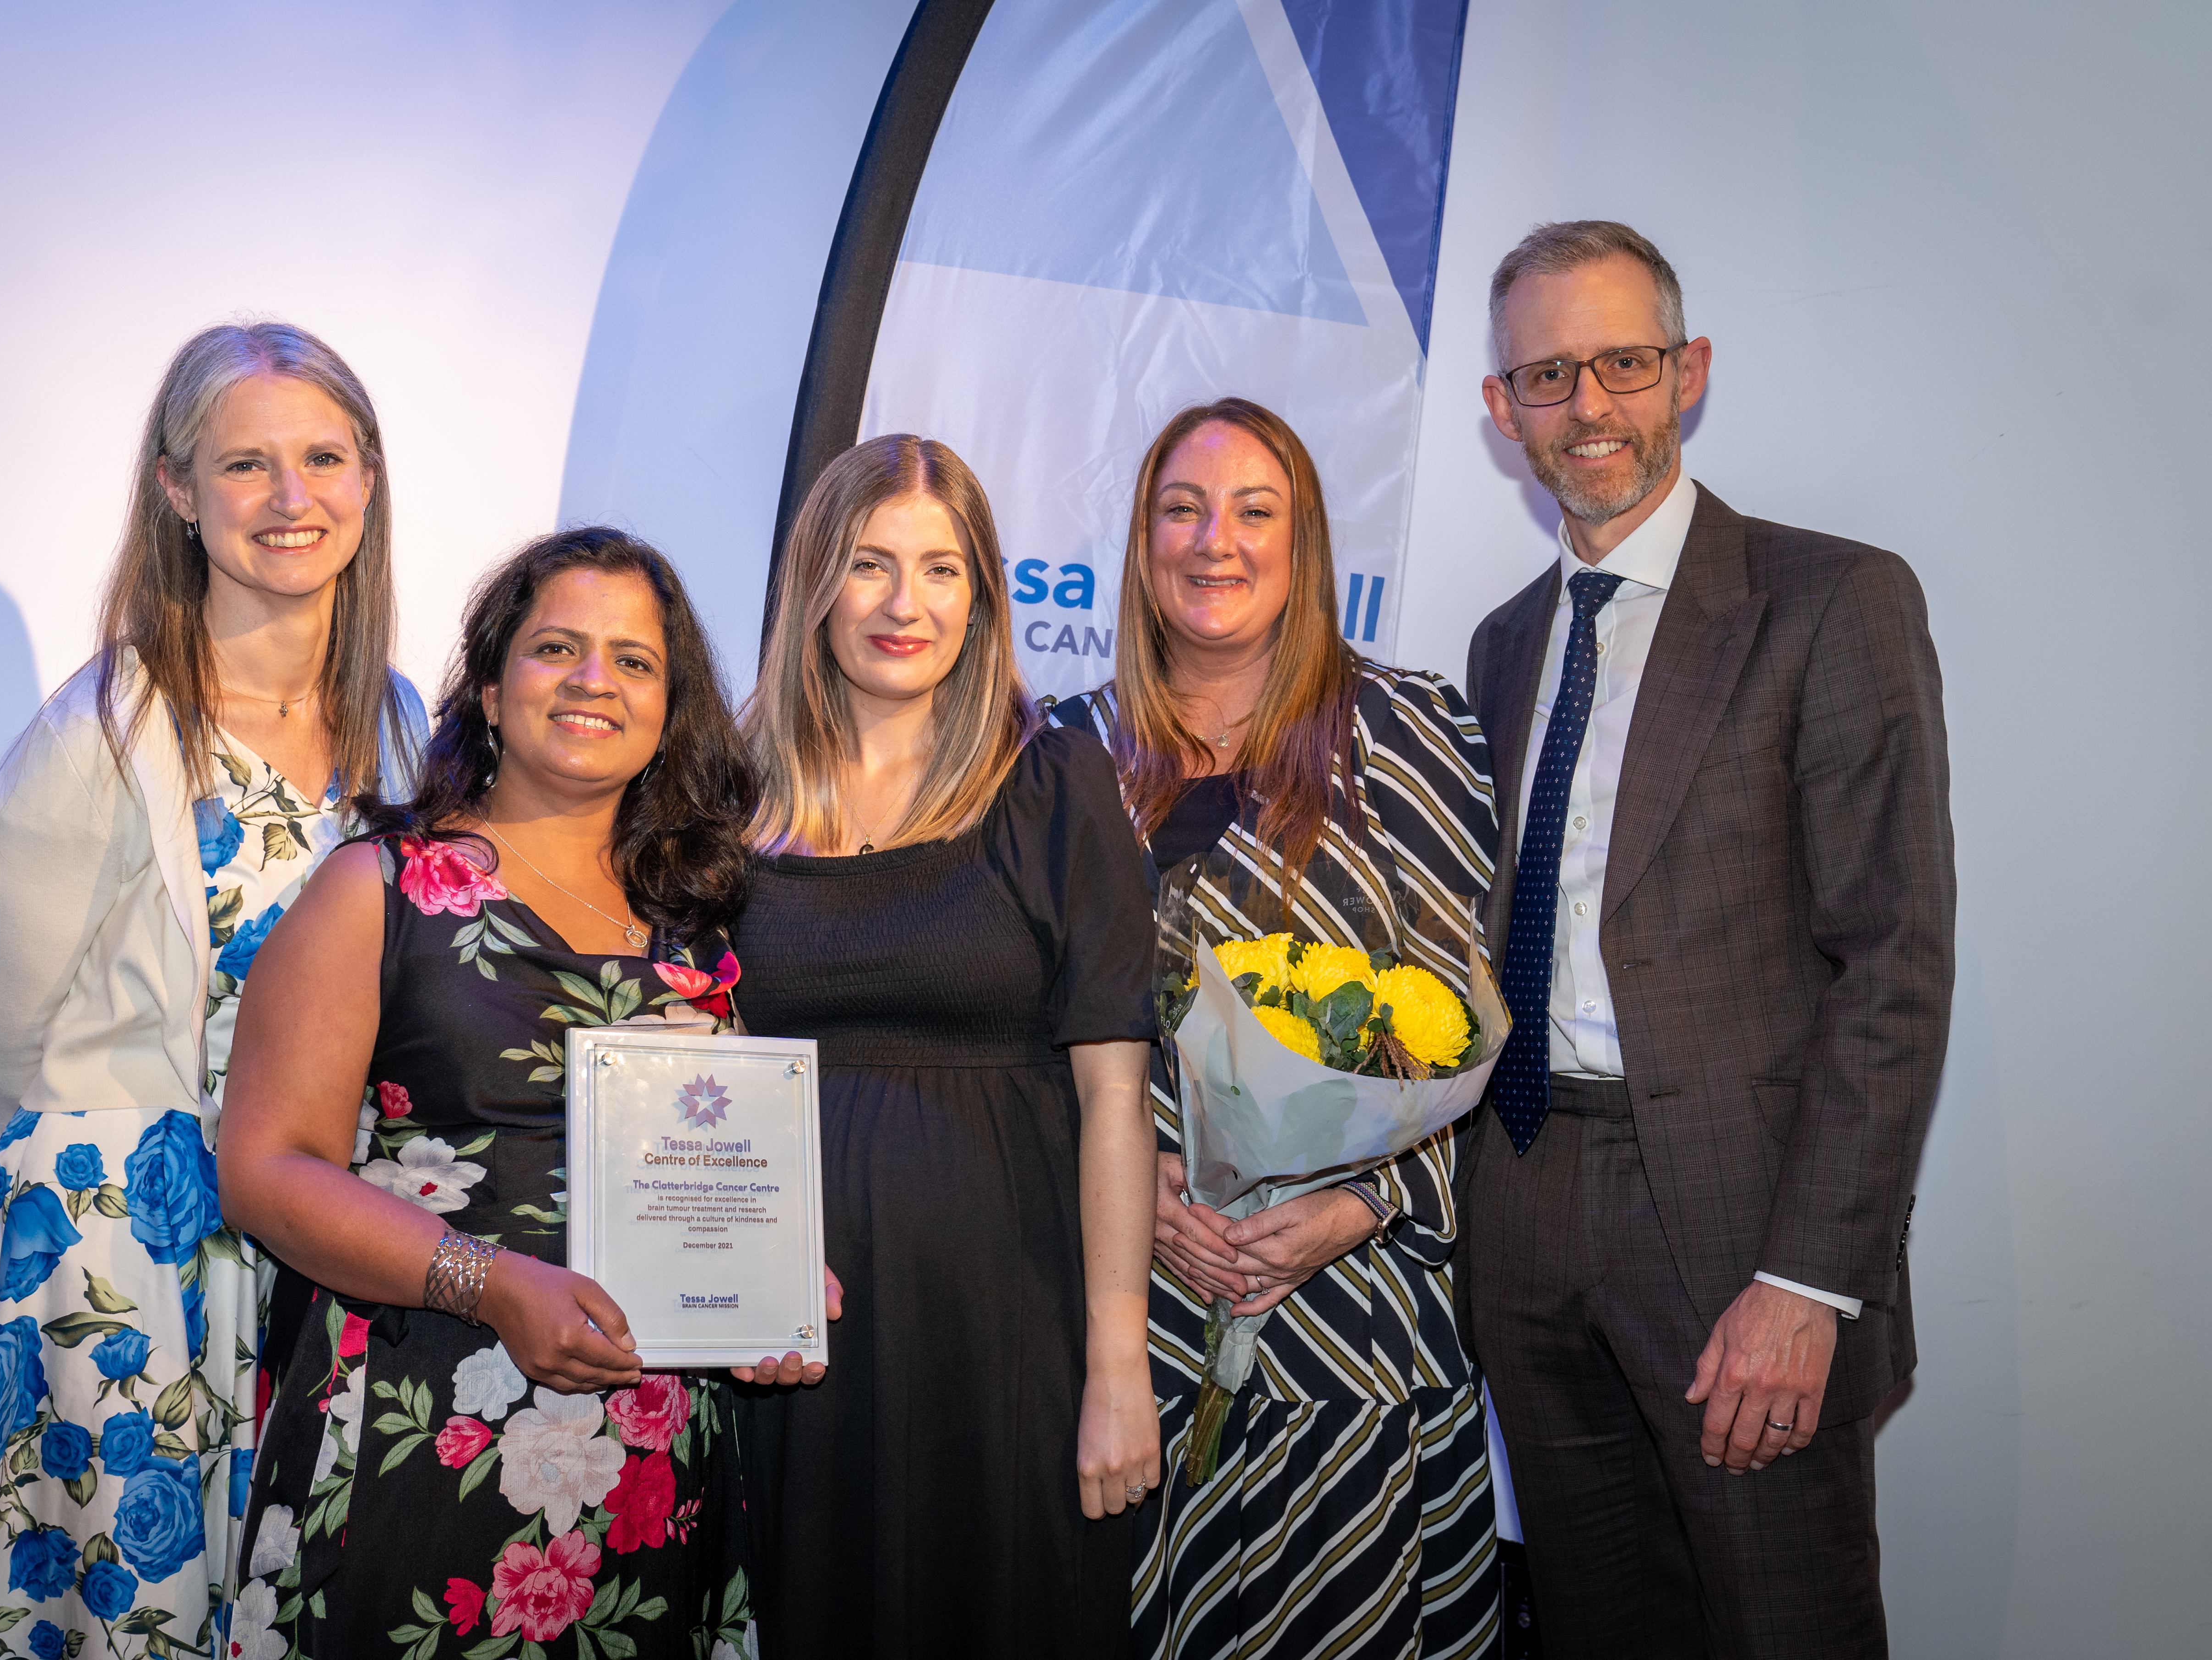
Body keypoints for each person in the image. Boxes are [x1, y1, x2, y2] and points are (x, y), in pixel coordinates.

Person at [0, 323, 427, 1656]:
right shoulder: (102, 730)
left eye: (323, 458)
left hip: (318, 1241)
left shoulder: (408, 725)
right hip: (124, 1260)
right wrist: (128, 1181)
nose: (291, 499)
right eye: (246, 464)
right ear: (179, 490)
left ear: (369, 479)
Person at [1458, 220, 1954, 1657]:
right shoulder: (1502, 645)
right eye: (1548, 374)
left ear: (1692, 373)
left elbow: (1895, 962)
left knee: (1782, 1626)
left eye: (1624, 361)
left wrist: (1809, 1279)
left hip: (1743, 1232)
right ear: (1501, 410)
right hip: (1530, 1208)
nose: (1589, 406)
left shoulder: (1832, 601)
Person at [213, 528, 809, 1658]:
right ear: (490, 688)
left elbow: (723, 1172)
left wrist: (772, 1269)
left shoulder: (701, 927)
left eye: (634, 660)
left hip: (647, 1459)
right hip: (416, 1418)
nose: (595, 680)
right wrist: (489, 1284)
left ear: (668, 706)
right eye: (556, 649)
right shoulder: (376, 888)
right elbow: (265, 1168)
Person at [1050, 398, 1505, 1657]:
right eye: (1182, 510)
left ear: (1304, 548)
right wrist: (1141, 1190)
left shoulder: (1415, 737)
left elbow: (1461, 1020)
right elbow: (1015, 1035)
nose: (1217, 541)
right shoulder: (1060, 756)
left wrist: (1363, 1198)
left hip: (1356, 1315)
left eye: (1258, 511)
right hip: (1123, 1316)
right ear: (1141, 544)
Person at [730, 434, 1160, 1656]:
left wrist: (1116, 1364)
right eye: (869, 565)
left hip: (1005, 1325)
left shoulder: (1058, 784)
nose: (904, 603)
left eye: (941, 568)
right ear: (816, 583)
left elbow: (1118, 1099)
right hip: (780, 1343)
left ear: (982, 598)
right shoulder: (729, 795)